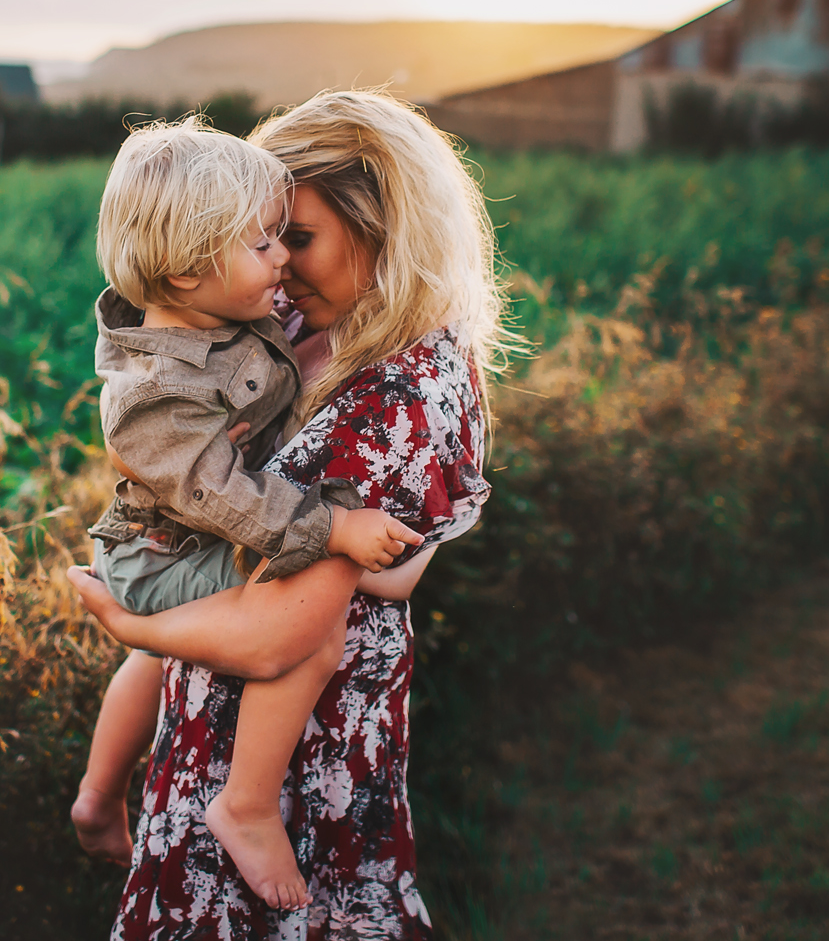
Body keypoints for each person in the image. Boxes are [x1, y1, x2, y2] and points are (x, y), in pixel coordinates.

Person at [69, 89, 515, 939]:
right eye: (265, 239)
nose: (279, 264)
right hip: (250, 726)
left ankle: (154, 800)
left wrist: (133, 629)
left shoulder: (392, 387)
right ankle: (101, 797)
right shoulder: (325, 335)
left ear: (386, 226)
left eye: (295, 237)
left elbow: (288, 628)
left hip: (296, 763)